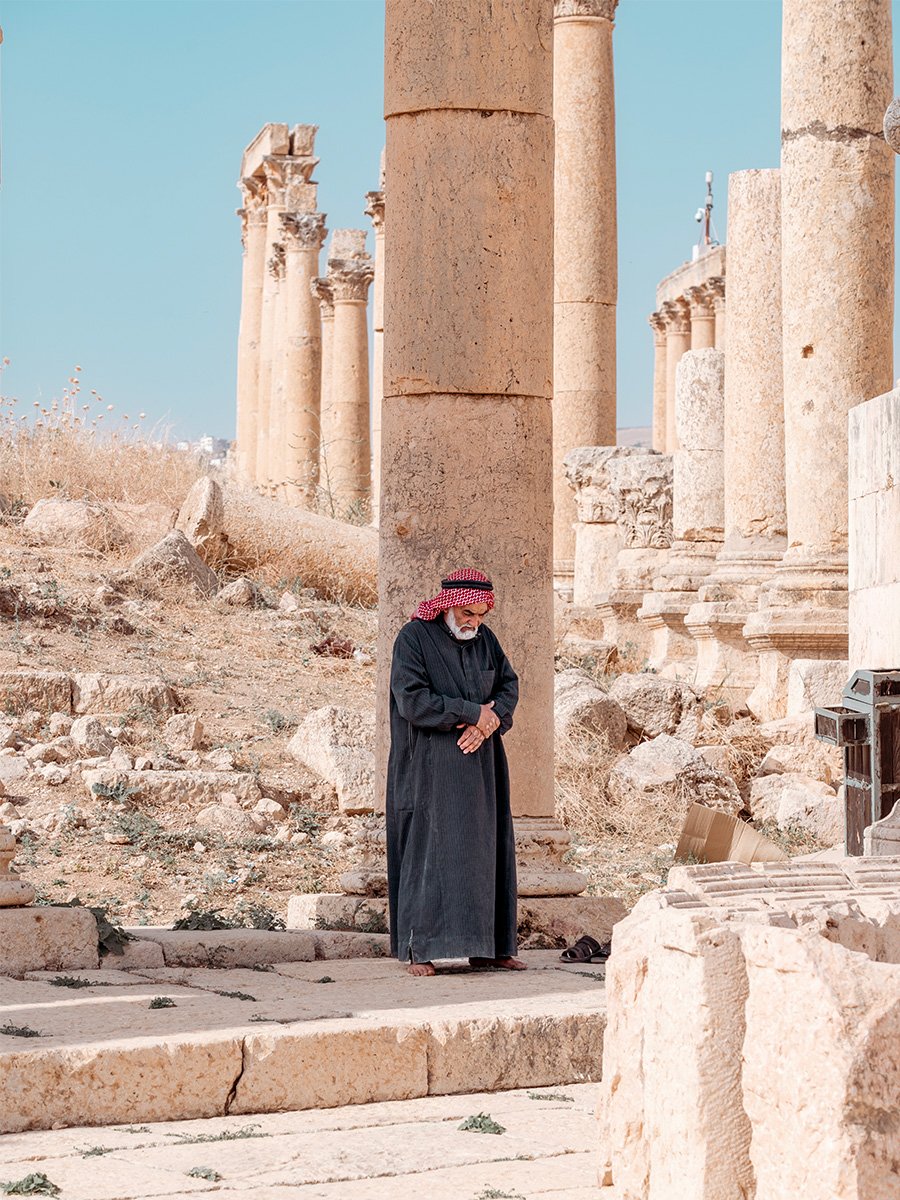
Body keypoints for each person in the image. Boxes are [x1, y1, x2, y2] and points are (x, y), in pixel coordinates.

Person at [386, 567, 526, 977]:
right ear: (447, 605)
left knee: (487, 848)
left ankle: (490, 948)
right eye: (467, 613)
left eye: (481, 615)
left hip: (482, 766)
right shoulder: (413, 639)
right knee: (429, 851)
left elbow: (508, 687)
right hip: (428, 768)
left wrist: (490, 720)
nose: (473, 622)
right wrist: (471, 713)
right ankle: (421, 949)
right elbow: (412, 700)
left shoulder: (485, 641)